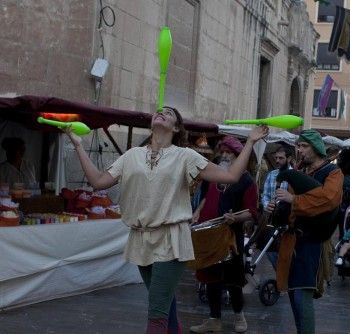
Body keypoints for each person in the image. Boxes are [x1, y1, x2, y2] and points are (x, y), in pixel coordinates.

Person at [64, 107, 268, 334]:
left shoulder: (185, 156)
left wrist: (250, 141)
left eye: (169, 113)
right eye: (158, 111)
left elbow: (230, 176)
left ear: (176, 127)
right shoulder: (132, 155)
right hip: (140, 239)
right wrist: (78, 144)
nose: (161, 113)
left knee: (156, 312)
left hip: (171, 239)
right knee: (164, 304)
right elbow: (98, 181)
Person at [273, 129, 343, 334]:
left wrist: (293, 200)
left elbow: (329, 199)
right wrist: (277, 209)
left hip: (313, 242)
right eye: (298, 146)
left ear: (316, 148)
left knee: (302, 294)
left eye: (304, 146)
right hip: (293, 240)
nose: (299, 150)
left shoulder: (332, 172)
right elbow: (289, 210)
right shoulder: (301, 172)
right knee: (294, 294)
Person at [190, 136, 258, 334]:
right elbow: (206, 198)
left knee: (233, 279)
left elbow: (252, 212)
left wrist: (234, 218)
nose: (225, 155)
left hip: (230, 236)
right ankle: (214, 320)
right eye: (224, 152)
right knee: (211, 278)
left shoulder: (246, 181)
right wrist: (197, 212)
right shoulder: (215, 175)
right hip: (209, 234)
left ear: (239, 155)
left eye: (230, 153)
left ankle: (239, 315)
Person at [261, 145, 293, 210]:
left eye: (281, 158)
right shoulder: (271, 174)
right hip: (273, 214)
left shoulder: (295, 175)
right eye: (276, 158)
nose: (277, 161)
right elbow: (265, 195)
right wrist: (267, 205)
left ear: (289, 159)